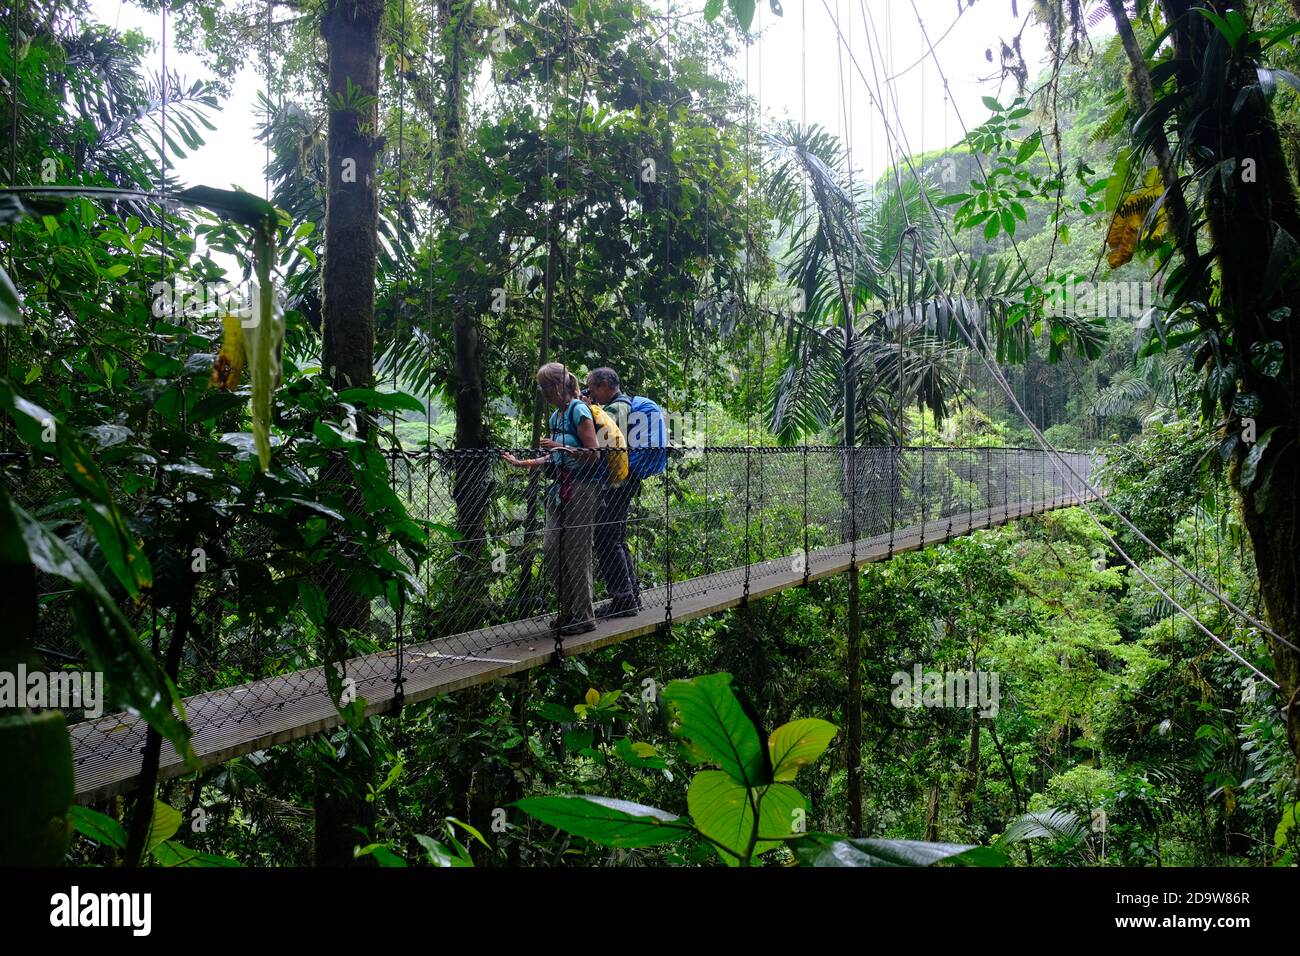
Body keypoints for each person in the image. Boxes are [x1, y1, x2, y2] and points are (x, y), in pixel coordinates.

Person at [502, 363, 602, 636]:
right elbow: (552, 457)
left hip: (582, 489)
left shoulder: (578, 410)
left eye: (544, 387)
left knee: (576, 554)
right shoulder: (556, 417)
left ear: (558, 385)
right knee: (552, 552)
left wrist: (561, 446)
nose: (542, 393)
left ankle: (584, 616)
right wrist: (523, 463)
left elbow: (594, 454)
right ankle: (568, 611)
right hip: (559, 488)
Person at [584, 366, 642, 618]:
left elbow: (601, 436)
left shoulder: (618, 408)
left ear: (606, 384)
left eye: (594, 387)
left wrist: (586, 410)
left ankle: (623, 598)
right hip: (623, 481)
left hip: (618, 483)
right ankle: (630, 595)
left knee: (607, 537)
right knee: (615, 537)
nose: (592, 393)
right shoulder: (618, 406)